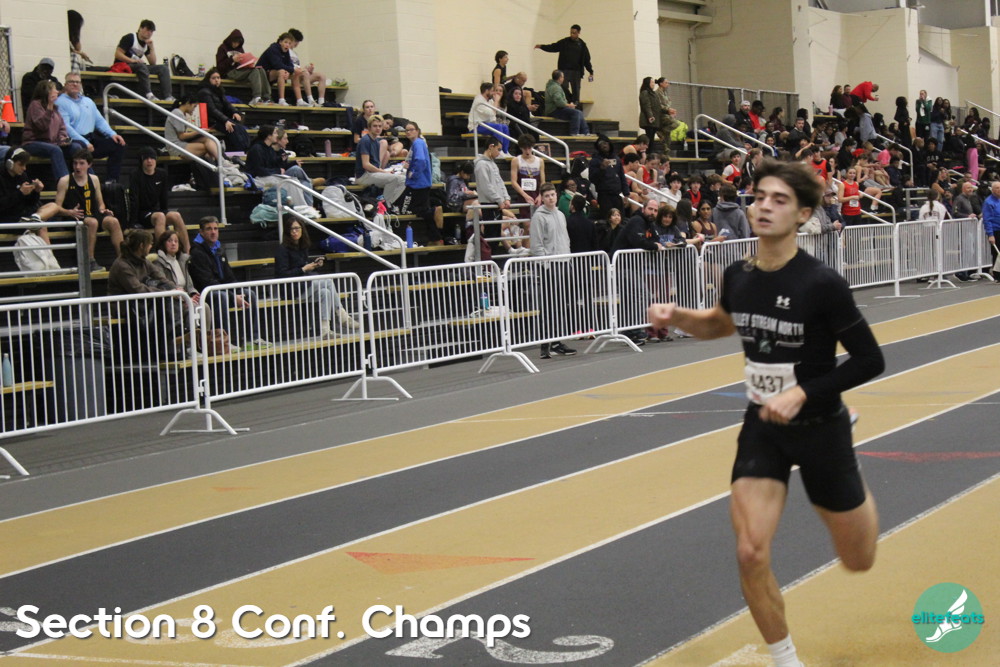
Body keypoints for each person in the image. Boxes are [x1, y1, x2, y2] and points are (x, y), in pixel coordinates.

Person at [648, 159, 885, 667]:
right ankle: (785, 659)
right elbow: (722, 323)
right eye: (759, 197)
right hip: (762, 426)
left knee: (858, 560)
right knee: (750, 551)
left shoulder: (821, 283)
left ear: (802, 215)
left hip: (820, 426)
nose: (765, 207)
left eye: (780, 200)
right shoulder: (740, 274)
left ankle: (854, 471)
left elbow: (870, 360)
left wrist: (803, 394)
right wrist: (680, 316)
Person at [188, 216, 271, 350]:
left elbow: (229, 276)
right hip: (205, 293)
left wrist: (237, 292)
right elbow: (207, 282)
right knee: (222, 297)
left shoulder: (219, 248)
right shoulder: (197, 252)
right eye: (209, 229)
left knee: (249, 294)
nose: (213, 232)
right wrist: (233, 297)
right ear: (201, 232)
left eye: (215, 229)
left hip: (222, 289)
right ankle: (223, 341)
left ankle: (252, 338)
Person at [275, 217, 359, 338]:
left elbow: (302, 266)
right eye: (291, 229)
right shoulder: (282, 249)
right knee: (328, 281)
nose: (294, 231)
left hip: (304, 285)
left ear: (302, 229)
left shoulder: (302, 246)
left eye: (297, 228)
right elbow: (282, 274)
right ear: (287, 231)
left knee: (325, 292)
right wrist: (303, 269)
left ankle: (325, 330)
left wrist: (314, 264)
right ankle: (342, 315)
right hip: (291, 289)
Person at [53, 150, 124, 272]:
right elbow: (56, 208)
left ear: (89, 164)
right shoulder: (65, 181)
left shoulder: (94, 179)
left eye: (81, 163)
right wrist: (69, 212)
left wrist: (103, 210)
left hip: (92, 214)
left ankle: (123, 259)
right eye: (75, 163)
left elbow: (100, 203)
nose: (77, 167)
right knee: (92, 222)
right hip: (73, 216)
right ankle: (89, 260)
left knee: (113, 221)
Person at [530, 183, 577, 359]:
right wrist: (546, 265)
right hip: (550, 265)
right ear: (542, 198)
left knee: (560, 304)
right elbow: (536, 245)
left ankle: (557, 341)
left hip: (564, 263)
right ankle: (546, 343)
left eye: (553, 194)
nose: (551, 198)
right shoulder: (538, 217)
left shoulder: (561, 215)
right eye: (547, 195)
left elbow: (565, 239)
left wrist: (568, 259)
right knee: (549, 305)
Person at [56, 71, 127, 183]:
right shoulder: (60, 102)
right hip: (73, 141)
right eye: (71, 82)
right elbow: (66, 127)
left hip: (91, 139)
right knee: (79, 148)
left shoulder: (88, 101)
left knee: (118, 144)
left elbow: (99, 121)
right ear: (65, 85)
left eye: (77, 82)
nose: (75, 84)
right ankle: (92, 183)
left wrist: (112, 134)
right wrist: (85, 142)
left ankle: (111, 182)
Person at [129, 147, 191, 252]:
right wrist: (133, 222)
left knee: (176, 215)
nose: (149, 161)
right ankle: (163, 252)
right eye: (146, 158)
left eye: (152, 158)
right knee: (160, 216)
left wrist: (165, 210)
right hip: (142, 213)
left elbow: (164, 196)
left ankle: (187, 251)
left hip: (157, 210)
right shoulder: (136, 175)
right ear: (141, 160)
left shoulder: (162, 174)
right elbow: (134, 199)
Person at [22, 80, 76, 182]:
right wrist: (49, 107)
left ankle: (88, 181)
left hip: (52, 143)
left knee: (76, 147)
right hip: (33, 142)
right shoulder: (35, 105)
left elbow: (62, 127)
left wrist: (62, 138)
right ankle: (64, 183)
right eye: (54, 89)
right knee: (55, 150)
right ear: (47, 92)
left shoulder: (55, 108)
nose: (57, 92)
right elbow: (42, 126)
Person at [245, 125, 311, 209]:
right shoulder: (257, 148)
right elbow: (258, 170)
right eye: (275, 133)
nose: (277, 135)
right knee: (291, 182)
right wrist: (278, 171)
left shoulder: (269, 149)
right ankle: (301, 208)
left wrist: (287, 162)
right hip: (257, 178)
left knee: (294, 180)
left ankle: (302, 208)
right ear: (269, 136)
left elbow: (273, 164)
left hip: (268, 176)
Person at [401, 121, 446, 245]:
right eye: (406, 130)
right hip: (422, 182)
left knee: (416, 209)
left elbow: (421, 161)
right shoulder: (417, 144)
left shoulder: (418, 143)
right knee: (424, 211)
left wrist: (413, 174)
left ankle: (434, 211)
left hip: (418, 183)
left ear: (417, 131)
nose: (408, 132)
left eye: (411, 129)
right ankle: (436, 238)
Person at [0, 148, 60, 239]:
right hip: (7, 218)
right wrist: (20, 193)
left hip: (24, 216)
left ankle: (35, 218)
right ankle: (34, 222)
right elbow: (2, 205)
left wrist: (36, 192)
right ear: (9, 163)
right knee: (41, 227)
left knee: (53, 205)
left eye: (25, 165)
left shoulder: (22, 176)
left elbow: (30, 203)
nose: (24, 168)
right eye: (21, 164)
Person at [355, 115, 406, 211]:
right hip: (364, 175)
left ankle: (386, 203)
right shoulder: (365, 141)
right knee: (395, 179)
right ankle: (384, 206)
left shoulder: (375, 141)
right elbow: (366, 164)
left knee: (403, 179)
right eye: (375, 126)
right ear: (369, 127)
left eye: (379, 126)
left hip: (373, 173)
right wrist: (383, 172)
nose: (378, 128)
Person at [114, 19, 173, 102]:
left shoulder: (147, 43)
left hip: (137, 66)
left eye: (151, 31)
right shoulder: (130, 38)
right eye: (148, 30)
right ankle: (149, 94)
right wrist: (132, 61)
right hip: (123, 65)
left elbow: (152, 62)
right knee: (142, 66)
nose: (149, 33)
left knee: (163, 68)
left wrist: (151, 48)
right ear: (141, 28)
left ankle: (168, 96)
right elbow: (118, 54)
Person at [535, 24, 593, 105]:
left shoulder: (582, 45)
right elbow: (553, 47)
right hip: (564, 71)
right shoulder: (565, 42)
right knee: (563, 89)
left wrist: (591, 71)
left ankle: (575, 106)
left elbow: (586, 59)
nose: (572, 35)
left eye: (574, 33)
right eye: (571, 32)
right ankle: (565, 105)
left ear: (579, 33)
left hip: (576, 72)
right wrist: (542, 46)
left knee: (576, 92)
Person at [197, 68, 250, 154]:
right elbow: (212, 110)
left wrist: (235, 112)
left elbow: (227, 104)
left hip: (220, 119)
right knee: (233, 128)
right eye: (213, 78)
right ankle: (240, 151)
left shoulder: (219, 91)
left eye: (218, 78)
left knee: (240, 128)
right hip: (212, 121)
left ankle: (245, 150)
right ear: (208, 79)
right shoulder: (204, 92)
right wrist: (226, 120)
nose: (216, 80)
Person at [107, 228, 175, 295]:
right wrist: (165, 293)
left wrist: (175, 289)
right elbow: (137, 289)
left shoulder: (144, 261)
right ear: (141, 246)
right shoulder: (122, 265)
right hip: (123, 302)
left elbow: (161, 278)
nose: (151, 246)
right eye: (150, 243)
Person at [215, 29, 270, 106]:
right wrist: (232, 60)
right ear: (230, 40)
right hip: (228, 72)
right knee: (255, 71)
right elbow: (219, 66)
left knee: (260, 69)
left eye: (238, 43)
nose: (236, 44)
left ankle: (266, 97)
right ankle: (256, 97)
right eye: (234, 42)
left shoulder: (240, 49)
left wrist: (248, 64)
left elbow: (243, 62)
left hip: (240, 71)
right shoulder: (222, 48)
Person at [164, 94, 220, 164]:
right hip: (176, 146)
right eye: (194, 106)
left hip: (181, 143)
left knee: (208, 139)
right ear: (188, 103)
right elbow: (181, 136)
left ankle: (221, 162)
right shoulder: (178, 113)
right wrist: (198, 132)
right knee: (207, 148)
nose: (194, 109)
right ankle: (221, 163)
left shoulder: (181, 113)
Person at [287, 29, 328, 107]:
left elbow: (297, 66)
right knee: (305, 73)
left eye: (298, 42)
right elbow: (289, 66)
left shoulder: (295, 53)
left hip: (300, 75)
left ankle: (321, 102)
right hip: (292, 76)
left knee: (321, 76)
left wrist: (307, 69)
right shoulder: (286, 51)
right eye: (296, 41)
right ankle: (311, 100)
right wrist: (304, 70)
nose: (297, 44)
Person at [590, 135, 627, 219]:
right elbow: (592, 178)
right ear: (598, 146)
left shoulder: (617, 159)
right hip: (604, 196)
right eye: (601, 144)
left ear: (610, 144)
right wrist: (601, 169)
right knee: (606, 219)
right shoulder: (595, 160)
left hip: (617, 195)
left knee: (620, 219)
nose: (604, 145)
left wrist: (626, 194)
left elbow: (622, 177)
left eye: (606, 143)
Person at [468, 82, 510, 154]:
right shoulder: (479, 101)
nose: (494, 93)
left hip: (485, 124)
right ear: (487, 91)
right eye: (492, 91)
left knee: (504, 127)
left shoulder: (489, 101)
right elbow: (492, 113)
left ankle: (505, 151)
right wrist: (496, 101)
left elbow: (493, 117)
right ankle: (499, 151)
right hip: (476, 126)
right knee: (498, 127)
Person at [544, 70, 589, 136]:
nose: (563, 79)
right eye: (563, 77)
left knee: (579, 112)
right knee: (576, 113)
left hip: (555, 109)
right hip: (553, 110)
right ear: (560, 78)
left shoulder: (553, 86)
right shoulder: (555, 88)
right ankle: (574, 133)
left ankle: (586, 133)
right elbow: (559, 102)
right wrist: (569, 105)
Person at [257, 32, 297, 106]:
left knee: (295, 73)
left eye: (289, 43)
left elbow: (290, 65)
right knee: (282, 72)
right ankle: (281, 99)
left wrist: (289, 71)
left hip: (272, 73)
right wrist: (289, 70)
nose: (287, 45)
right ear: (280, 42)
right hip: (261, 74)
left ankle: (300, 100)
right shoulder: (273, 49)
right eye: (286, 42)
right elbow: (278, 65)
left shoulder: (286, 51)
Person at [511, 133, 545, 208]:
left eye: (529, 148)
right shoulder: (516, 160)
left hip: (537, 195)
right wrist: (525, 195)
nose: (527, 151)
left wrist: (540, 196)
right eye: (525, 148)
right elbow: (513, 182)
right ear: (521, 148)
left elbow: (543, 181)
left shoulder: (540, 161)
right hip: (523, 195)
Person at [982, 181, 1000, 278]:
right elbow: (987, 219)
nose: (999, 189)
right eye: (997, 188)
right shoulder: (989, 202)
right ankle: (997, 275)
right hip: (996, 230)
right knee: (997, 253)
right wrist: (990, 234)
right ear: (992, 190)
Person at [655, 78, 679, 150]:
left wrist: (671, 111)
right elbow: (658, 105)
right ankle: (662, 131)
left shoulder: (665, 92)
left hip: (666, 114)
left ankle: (666, 150)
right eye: (666, 82)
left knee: (667, 137)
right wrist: (668, 110)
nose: (668, 84)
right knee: (676, 123)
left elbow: (667, 104)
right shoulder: (657, 93)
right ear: (661, 83)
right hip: (661, 115)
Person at [639, 77, 660, 146]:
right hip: (648, 119)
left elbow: (658, 106)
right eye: (652, 82)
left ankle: (650, 150)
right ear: (648, 83)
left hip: (654, 119)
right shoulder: (645, 92)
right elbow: (646, 105)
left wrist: (667, 111)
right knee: (649, 138)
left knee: (651, 138)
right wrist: (650, 116)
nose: (654, 84)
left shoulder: (654, 93)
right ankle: (647, 150)